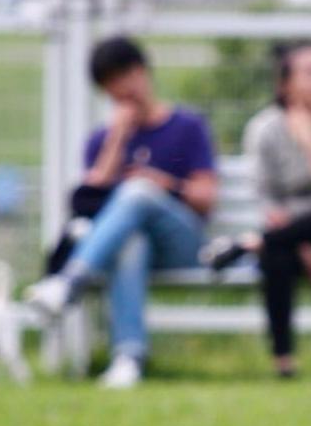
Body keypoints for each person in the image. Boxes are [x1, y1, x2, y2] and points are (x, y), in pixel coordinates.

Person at [25, 36, 218, 389]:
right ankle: (128, 359)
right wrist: (118, 138)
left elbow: (206, 198)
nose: (121, 89)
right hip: (129, 250)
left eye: (125, 76)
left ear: (143, 72)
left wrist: (161, 185)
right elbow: (88, 200)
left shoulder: (188, 127)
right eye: (109, 84)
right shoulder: (102, 141)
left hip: (184, 245)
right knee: (131, 240)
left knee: (139, 191)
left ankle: (69, 282)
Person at [204, 43, 311, 378]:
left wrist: (309, 139)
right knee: (275, 254)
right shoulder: (264, 129)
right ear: (285, 85)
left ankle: (252, 242)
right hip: (288, 241)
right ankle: (284, 362)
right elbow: (267, 200)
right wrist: (301, 243)